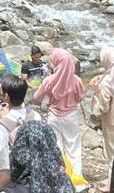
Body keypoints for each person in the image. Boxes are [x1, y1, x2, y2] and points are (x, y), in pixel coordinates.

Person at [30, 48, 86, 181]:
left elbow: (36, 97)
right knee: (73, 147)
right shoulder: (77, 80)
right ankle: (76, 179)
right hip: (71, 116)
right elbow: (80, 97)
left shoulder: (49, 80)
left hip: (54, 116)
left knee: (56, 147)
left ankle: (59, 177)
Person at [0, 74, 39, 141]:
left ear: (6, 96)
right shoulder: (36, 115)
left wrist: (2, 119)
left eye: (0, 90)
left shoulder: (0, 126)